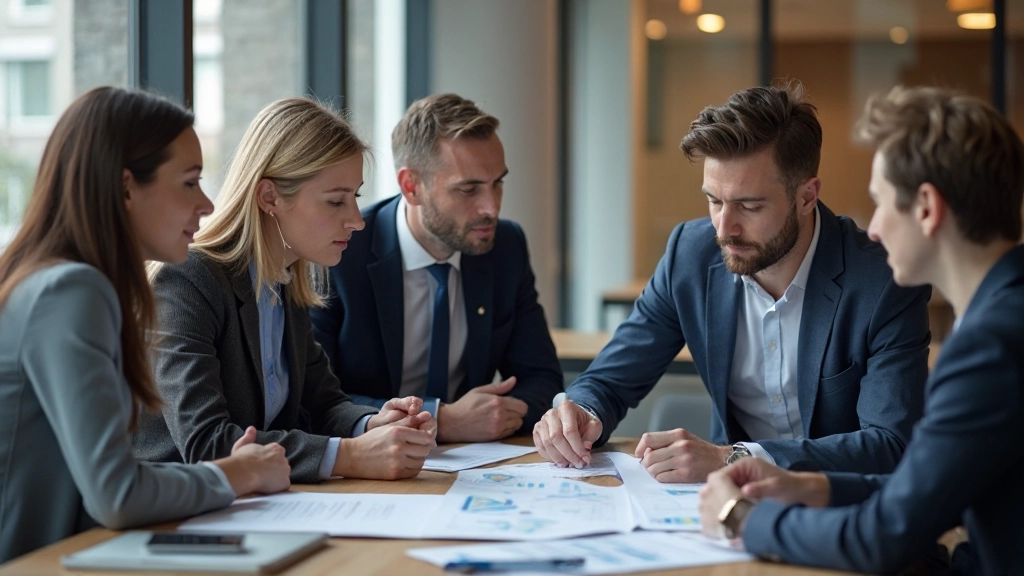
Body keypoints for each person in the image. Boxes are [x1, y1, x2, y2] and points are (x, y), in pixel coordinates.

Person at [699, 86, 1024, 575]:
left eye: (882, 202)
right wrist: (810, 486)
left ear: (927, 209)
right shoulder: (1005, 314)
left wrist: (740, 517)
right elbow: (932, 488)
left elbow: (882, 536)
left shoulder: (991, 345)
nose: (873, 230)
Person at [534, 81, 931, 480]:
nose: (725, 229)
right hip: (720, 508)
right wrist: (580, 414)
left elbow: (890, 444)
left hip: (839, 509)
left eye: (750, 205)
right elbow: (612, 377)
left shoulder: (883, 280)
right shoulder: (689, 255)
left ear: (807, 197)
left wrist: (735, 458)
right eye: (714, 201)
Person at [0, 87, 292, 563]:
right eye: (190, 182)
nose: (208, 205)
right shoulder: (70, 291)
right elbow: (116, 493)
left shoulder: (63, 283)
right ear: (126, 187)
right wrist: (240, 473)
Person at [132, 98, 436, 483]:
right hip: (177, 517)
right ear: (270, 197)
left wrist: (373, 424)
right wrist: (348, 456)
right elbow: (206, 443)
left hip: (256, 506)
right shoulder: (188, 280)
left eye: (355, 198)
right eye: (335, 201)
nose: (357, 221)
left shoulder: (284, 282)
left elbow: (323, 404)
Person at [310, 94, 562, 443]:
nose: (491, 207)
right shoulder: (340, 252)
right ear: (411, 186)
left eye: (497, 183)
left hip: (472, 466)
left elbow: (543, 381)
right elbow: (316, 401)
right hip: (367, 464)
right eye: (468, 189)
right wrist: (441, 419)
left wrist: (495, 415)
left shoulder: (505, 247)